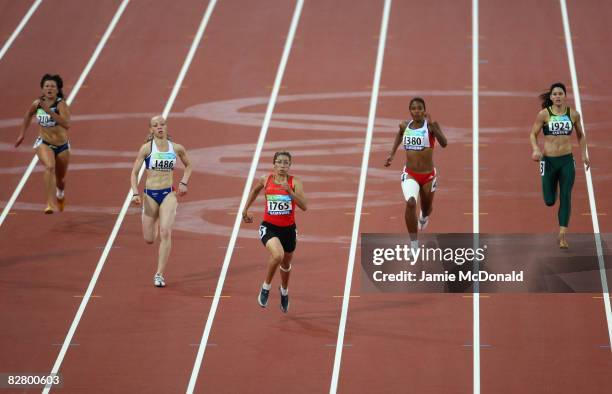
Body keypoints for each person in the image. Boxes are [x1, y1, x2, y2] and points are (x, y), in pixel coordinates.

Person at [130, 115, 192, 287]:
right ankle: (155, 218)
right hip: (150, 195)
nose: (159, 127)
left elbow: (189, 165)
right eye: (155, 125)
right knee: (149, 239)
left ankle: (159, 274)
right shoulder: (146, 149)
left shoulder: (177, 148)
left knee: (165, 232)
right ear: (151, 130)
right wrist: (135, 193)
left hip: (168, 194)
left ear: (166, 127)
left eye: (162, 124)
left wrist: (183, 182)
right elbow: (134, 173)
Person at [242, 151, 307, 313]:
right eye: (279, 162)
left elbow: (304, 206)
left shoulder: (295, 182)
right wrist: (245, 209)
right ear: (274, 164)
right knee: (278, 255)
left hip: (289, 230)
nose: (282, 166)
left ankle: (284, 292)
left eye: (286, 163)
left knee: (286, 264)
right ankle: (266, 287)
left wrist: (290, 193)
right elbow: (255, 191)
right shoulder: (266, 179)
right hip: (269, 227)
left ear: (290, 165)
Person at [530, 82, 590, 249]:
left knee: (566, 195)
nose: (557, 96)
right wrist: (535, 149)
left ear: (565, 96)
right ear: (551, 97)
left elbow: (581, 135)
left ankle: (562, 234)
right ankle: (552, 186)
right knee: (549, 200)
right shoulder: (544, 114)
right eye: (554, 94)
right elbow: (533, 134)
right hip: (548, 161)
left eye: (560, 94)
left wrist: (584, 154)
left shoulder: (573, 115)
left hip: (566, 161)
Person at [385, 97, 447, 251]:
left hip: (428, 176)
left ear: (424, 110)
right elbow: (399, 134)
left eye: (420, 108)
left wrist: (432, 124)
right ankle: (413, 243)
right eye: (414, 108)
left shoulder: (431, 126)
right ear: (410, 111)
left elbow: (444, 143)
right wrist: (392, 154)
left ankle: (424, 216)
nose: (417, 111)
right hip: (410, 174)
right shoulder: (404, 125)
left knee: (426, 208)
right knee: (411, 202)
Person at [15, 74, 71, 213]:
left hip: (62, 146)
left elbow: (66, 124)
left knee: (61, 180)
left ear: (57, 90)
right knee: (49, 167)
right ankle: (50, 204)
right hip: (44, 143)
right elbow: (28, 115)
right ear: (42, 89)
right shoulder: (37, 104)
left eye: (52, 86)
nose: (49, 88)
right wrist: (22, 134)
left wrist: (48, 111)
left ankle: (60, 194)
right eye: (47, 86)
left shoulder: (61, 104)